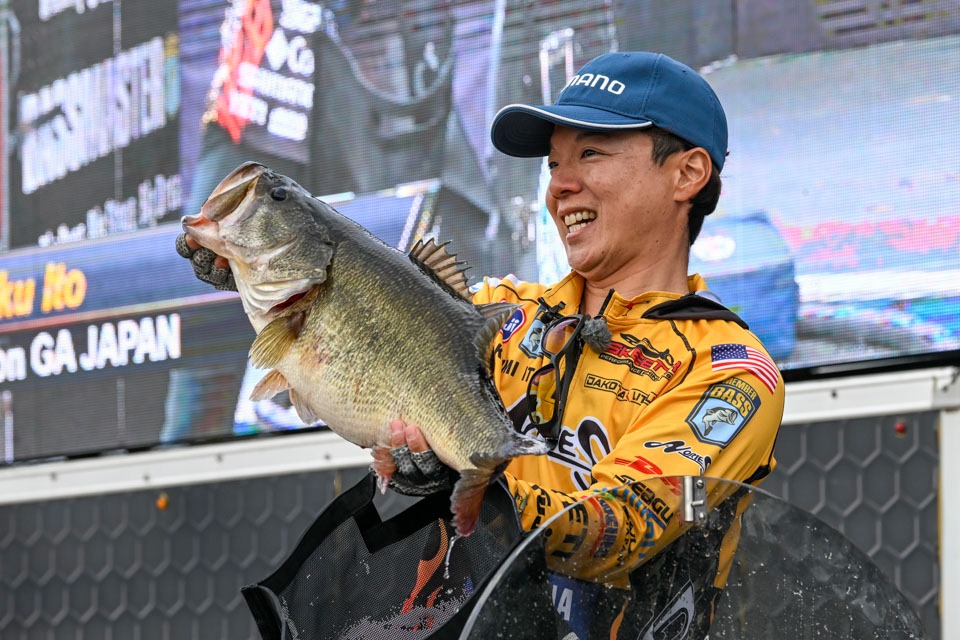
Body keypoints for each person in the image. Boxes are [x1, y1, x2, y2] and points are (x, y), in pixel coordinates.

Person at [177, 51, 784, 639]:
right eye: (553, 164)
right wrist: (253, 265)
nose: (561, 185)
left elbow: (625, 524)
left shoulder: (729, 372)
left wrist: (473, 485)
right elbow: (356, 351)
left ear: (687, 174)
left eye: (591, 154)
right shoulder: (500, 311)